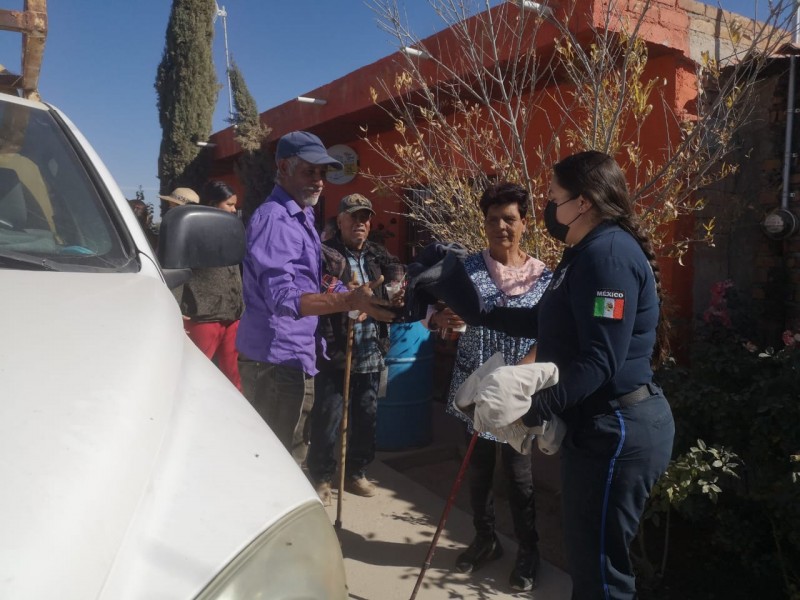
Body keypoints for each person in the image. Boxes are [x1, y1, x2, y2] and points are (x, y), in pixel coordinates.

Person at [443, 151, 673, 599]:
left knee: (600, 572)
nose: (548, 205)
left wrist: (535, 410)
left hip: (618, 429)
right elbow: (546, 321)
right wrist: (479, 312)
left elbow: (601, 359)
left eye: (553, 196)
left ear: (582, 202)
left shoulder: (608, 256)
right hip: (594, 426)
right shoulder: (582, 253)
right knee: (586, 560)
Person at [236, 131, 393, 465]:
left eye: (322, 173)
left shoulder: (303, 213)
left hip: (297, 353)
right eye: (310, 171)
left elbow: (309, 277)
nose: (319, 181)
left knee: (294, 451)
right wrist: (348, 302)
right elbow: (284, 298)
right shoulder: (274, 219)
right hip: (275, 360)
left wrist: (347, 293)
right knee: (276, 460)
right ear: (284, 168)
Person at [426, 182, 552, 592]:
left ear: (524, 223)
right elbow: (435, 311)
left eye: (509, 219)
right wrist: (440, 321)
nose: (501, 227)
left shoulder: (545, 277)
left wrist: (520, 375)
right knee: (477, 467)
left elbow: (550, 334)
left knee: (518, 473)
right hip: (473, 388)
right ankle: (486, 539)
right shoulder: (466, 270)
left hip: (516, 392)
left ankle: (529, 550)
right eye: (493, 219)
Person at [308, 194, 403, 503]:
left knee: (366, 415)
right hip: (335, 347)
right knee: (328, 416)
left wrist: (391, 290)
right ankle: (321, 476)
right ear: (340, 220)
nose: (360, 223)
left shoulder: (378, 254)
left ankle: (355, 472)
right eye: (353, 217)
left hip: (371, 347)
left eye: (365, 217)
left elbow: (397, 275)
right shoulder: (326, 253)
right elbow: (314, 286)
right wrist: (343, 294)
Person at [174, 181, 244, 390]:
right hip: (203, 314)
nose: (234, 209)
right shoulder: (191, 232)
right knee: (197, 373)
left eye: (234, 205)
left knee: (232, 375)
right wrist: (175, 306)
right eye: (229, 204)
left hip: (232, 313)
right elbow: (177, 269)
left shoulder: (231, 232)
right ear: (213, 204)